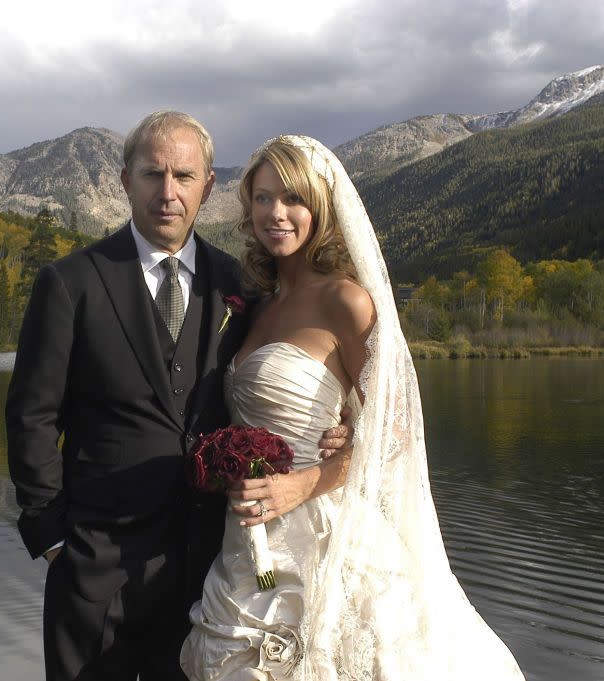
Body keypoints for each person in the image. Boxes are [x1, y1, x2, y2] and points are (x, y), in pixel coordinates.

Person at [6, 112, 350, 681]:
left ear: (208, 185)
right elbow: (32, 415)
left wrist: (344, 429)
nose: (168, 193)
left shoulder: (239, 286)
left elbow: (300, 376)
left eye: (184, 176)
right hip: (95, 565)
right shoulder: (72, 283)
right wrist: (52, 538)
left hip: (210, 570)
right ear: (125, 181)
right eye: (153, 174)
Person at [180, 135, 526, 681]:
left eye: (293, 200)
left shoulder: (346, 300)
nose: (277, 214)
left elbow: (399, 432)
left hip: (322, 528)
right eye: (264, 198)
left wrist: (307, 479)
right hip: (249, 532)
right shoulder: (259, 305)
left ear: (321, 207)